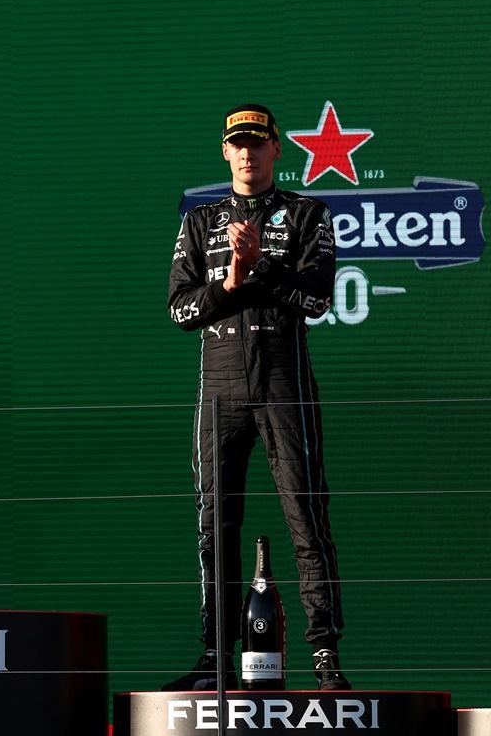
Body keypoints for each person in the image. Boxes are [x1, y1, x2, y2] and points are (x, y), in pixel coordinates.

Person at [165, 104, 349, 690]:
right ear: (225, 152)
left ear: (276, 150)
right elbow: (180, 310)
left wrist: (259, 266)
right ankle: (217, 654)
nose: (247, 153)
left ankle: (324, 656)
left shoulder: (308, 214)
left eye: (258, 143)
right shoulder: (200, 222)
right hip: (220, 388)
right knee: (215, 524)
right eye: (237, 144)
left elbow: (318, 300)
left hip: (283, 383)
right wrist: (230, 279)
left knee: (305, 517)